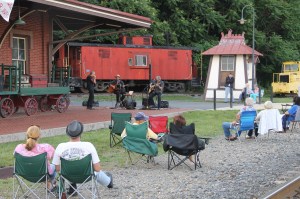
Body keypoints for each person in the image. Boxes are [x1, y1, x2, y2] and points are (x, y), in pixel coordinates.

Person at [52, 120, 113, 196]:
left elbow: (57, 169)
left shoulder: (60, 147)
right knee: (98, 172)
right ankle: (108, 182)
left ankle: (72, 186)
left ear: (68, 133)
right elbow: (97, 168)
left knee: (72, 167)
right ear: (81, 133)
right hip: (86, 176)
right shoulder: (89, 146)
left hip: (68, 176)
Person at [14, 125, 56, 191]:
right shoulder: (46, 148)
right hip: (43, 174)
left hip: (25, 174)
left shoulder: (19, 148)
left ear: (26, 135)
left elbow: (14, 155)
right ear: (39, 136)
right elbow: (55, 157)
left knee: (42, 168)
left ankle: (49, 184)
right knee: (53, 166)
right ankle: (51, 184)